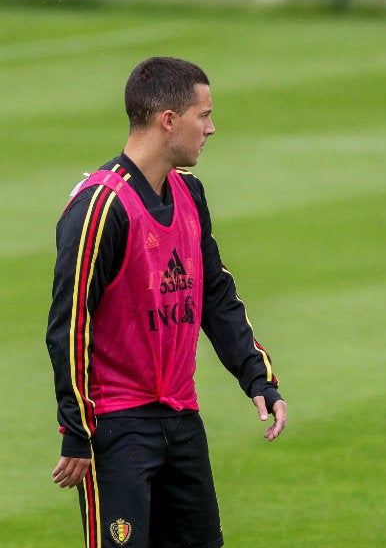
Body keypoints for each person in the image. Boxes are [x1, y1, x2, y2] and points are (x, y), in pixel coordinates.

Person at [47, 56, 287, 548]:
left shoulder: (189, 194)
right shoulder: (101, 208)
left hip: (180, 418)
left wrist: (255, 374)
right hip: (116, 427)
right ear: (168, 120)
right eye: (204, 115)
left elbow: (215, 294)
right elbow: (69, 326)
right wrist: (77, 429)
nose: (212, 128)